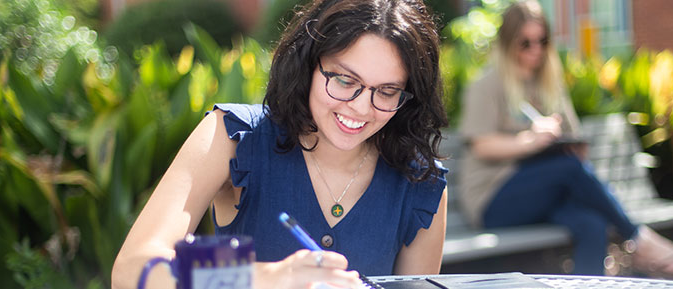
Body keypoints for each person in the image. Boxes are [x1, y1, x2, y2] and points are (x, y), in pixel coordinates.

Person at [111, 0, 449, 288]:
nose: (361, 108)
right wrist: (267, 277)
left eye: (387, 92)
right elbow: (131, 268)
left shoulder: (421, 180)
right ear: (308, 63)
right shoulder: (232, 136)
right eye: (345, 81)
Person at [458, 0, 673, 278]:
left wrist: (563, 142)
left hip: (546, 193)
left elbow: (571, 138)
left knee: (592, 224)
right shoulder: (486, 84)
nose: (535, 50)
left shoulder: (549, 83)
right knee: (570, 170)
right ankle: (638, 238)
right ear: (507, 43)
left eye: (542, 41)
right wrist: (531, 140)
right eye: (525, 43)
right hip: (493, 199)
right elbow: (481, 145)